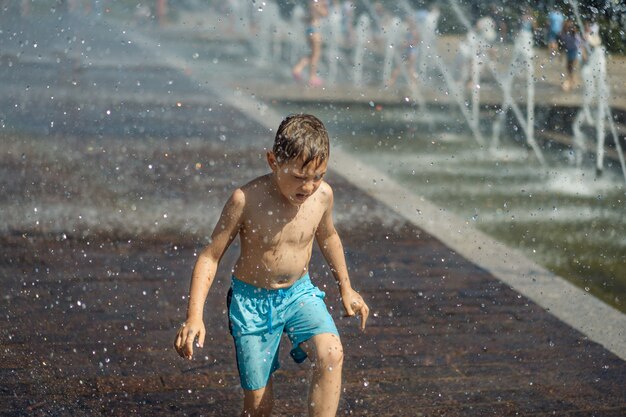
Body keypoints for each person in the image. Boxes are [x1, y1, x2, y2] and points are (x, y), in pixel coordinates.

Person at [174, 114, 369, 417]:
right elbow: (210, 256)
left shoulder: (322, 196)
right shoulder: (246, 200)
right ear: (273, 161)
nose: (308, 187)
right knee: (259, 402)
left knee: (331, 354)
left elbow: (328, 236)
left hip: (299, 294)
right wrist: (194, 317)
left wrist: (346, 287)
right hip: (252, 303)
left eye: (317, 176)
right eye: (299, 176)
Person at [292, 0, 329, 87]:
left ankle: (297, 69)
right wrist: (325, 7)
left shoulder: (311, 3)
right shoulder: (319, 3)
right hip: (315, 31)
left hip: (309, 30)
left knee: (312, 54)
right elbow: (325, 14)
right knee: (316, 54)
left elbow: (307, 18)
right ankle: (312, 77)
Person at [559, 20, 579, 91]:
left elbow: (576, 32)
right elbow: (562, 46)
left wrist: (572, 27)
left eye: (569, 26)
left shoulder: (572, 32)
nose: (568, 27)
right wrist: (561, 55)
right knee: (569, 68)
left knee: (571, 67)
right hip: (568, 52)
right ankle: (572, 80)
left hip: (574, 51)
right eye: (566, 26)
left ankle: (570, 81)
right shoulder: (562, 34)